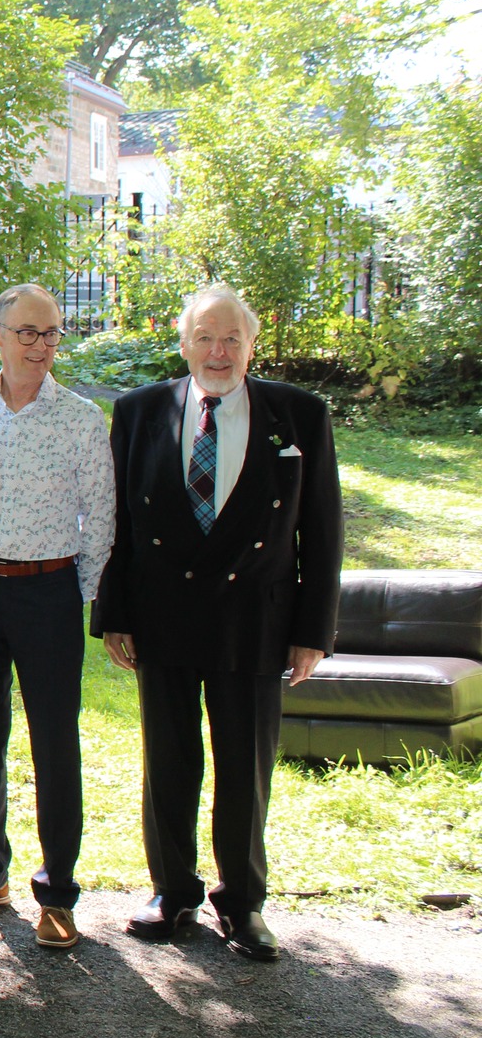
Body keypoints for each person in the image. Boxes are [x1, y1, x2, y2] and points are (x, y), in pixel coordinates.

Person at [93, 284, 342, 962]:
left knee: (244, 767)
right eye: (205, 337)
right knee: (168, 760)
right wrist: (114, 612)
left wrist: (312, 631)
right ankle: (172, 891)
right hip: (163, 613)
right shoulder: (140, 410)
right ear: (184, 344)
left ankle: (243, 903)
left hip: (255, 619)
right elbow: (119, 519)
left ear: (252, 345)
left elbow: (323, 527)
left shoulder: (299, 414)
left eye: (232, 338)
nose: (219, 351)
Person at [0, 282, 114, 950]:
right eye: (28, 331)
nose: (41, 344)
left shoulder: (81, 419)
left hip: (49, 593)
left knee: (54, 742)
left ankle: (57, 893)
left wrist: (78, 593)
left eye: (52, 332)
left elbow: (102, 515)